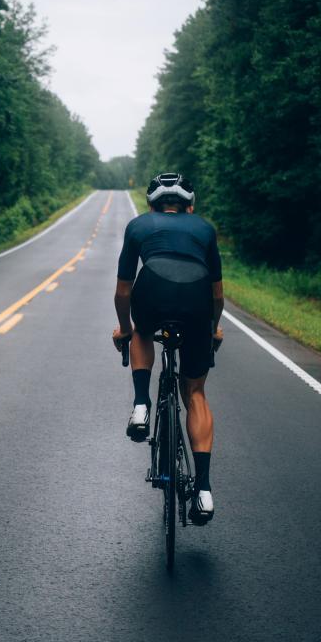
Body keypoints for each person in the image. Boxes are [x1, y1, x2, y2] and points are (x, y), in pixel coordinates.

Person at [112, 173, 224, 524]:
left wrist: (127, 329)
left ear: (151, 205)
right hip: (197, 303)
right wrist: (211, 329)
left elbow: (123, 292)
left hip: (152, 293)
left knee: (143, 331)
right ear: (190, 205)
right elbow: (218, 296)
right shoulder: (205, 229)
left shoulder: (138, 226)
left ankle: (141, 406)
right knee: (196, 393)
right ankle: (203, 491)